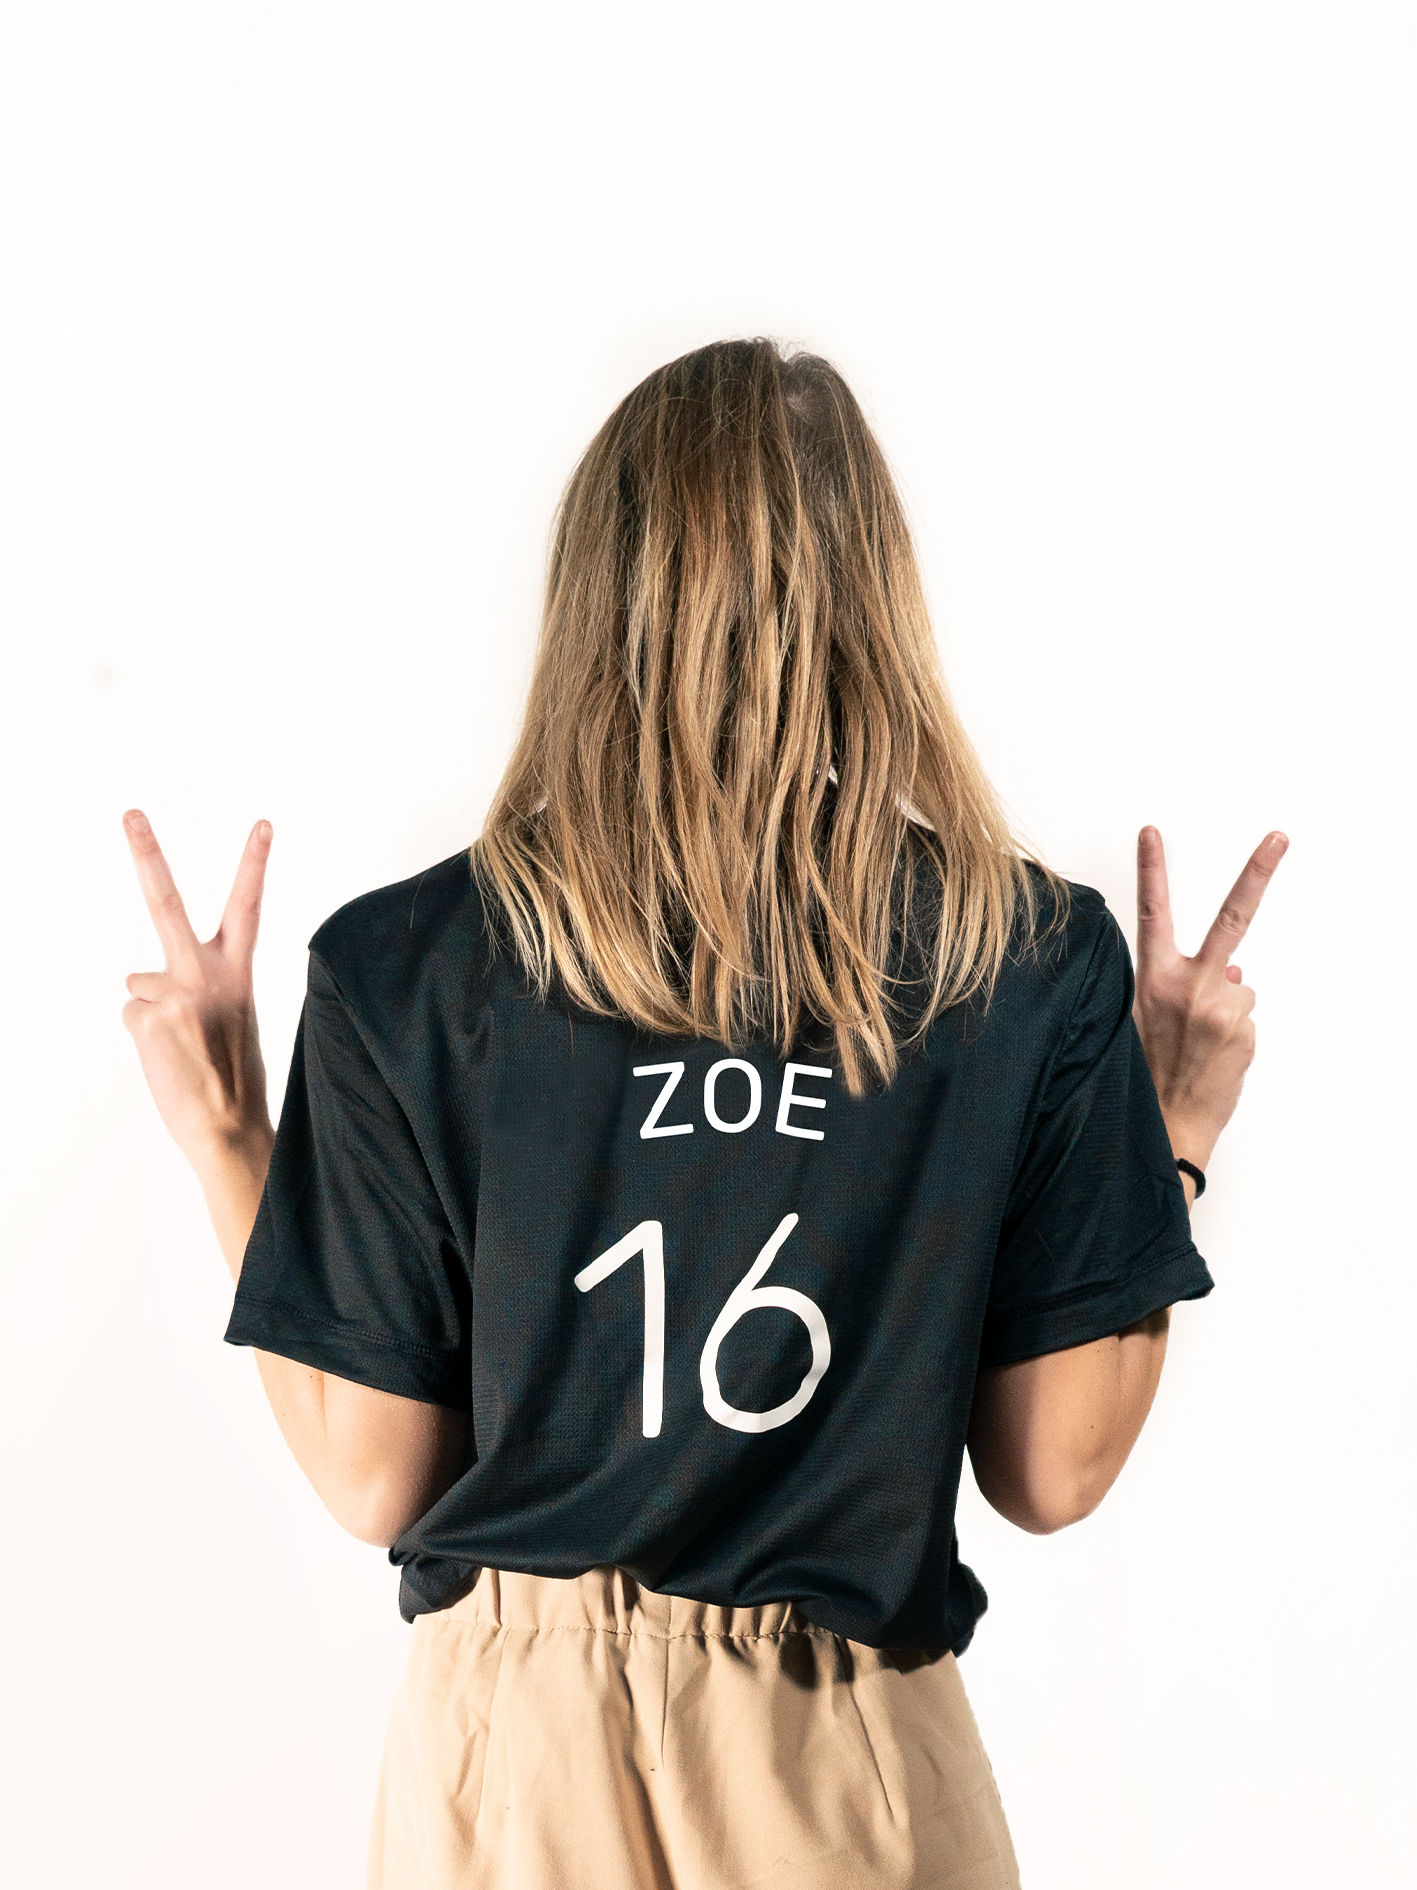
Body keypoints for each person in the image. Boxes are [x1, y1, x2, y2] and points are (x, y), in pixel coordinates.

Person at [121, 338, 1286, 1890]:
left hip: (509, 1766)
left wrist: (228, 1137)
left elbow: (376, 1478)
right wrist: (1172, 1125)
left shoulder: (409, 965)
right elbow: (1050, 1469)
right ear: (871, 601)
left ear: (593, 598)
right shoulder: (1014, 958)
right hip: (845, 1753)